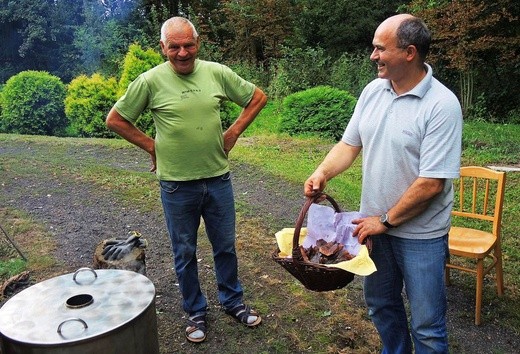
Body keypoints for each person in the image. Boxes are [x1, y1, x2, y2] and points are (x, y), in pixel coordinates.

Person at [304, 14, 462, 353]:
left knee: (427, 327)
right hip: (372, 229)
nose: (373, 56)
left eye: (380, 49)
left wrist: (385, 220)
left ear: (409, 52)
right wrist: (322, 172)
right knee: (381, 307)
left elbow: (432, 183)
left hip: (420, 236)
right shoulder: (373, 91)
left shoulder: (442, 105)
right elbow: (349, 145)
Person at [106, 16, 267, 343]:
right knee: (184, 251)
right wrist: (153, 146)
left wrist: (233, 132)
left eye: (188, 45)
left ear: (197, 44)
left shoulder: (216, 73)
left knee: (225, 246)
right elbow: (117, 119)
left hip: (218, 180)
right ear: (163, 47)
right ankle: (195, 310)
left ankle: (232, 301)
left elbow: (257, 98)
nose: (182, 53)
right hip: (177, 185)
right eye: (174, 47)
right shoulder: (150, 81)